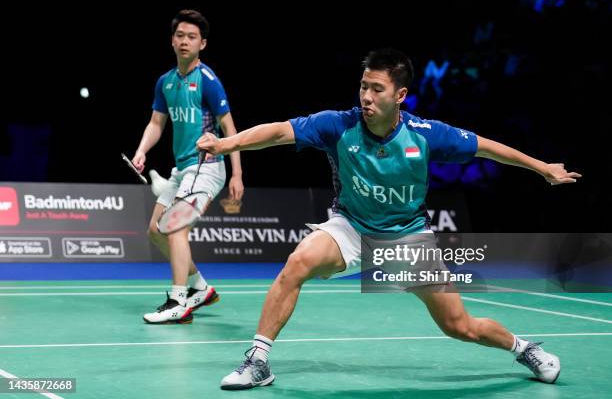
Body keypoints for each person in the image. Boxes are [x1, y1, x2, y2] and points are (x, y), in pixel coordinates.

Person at [197, 48, 581, 389]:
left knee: (459, 326)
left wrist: (540, 167)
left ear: (400, 96)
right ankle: (258, 361)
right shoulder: (339, 125)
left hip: (407, 238)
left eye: (377, 89)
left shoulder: (426, 134)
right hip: (350, 227)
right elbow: (280, 132)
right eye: (363, 86)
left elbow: (485, 147)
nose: (366, 96)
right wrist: (226, 143)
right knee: (297, 262)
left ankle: (524, 348)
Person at [132, 9, 244, 324]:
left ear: (202, 44)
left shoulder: (208, 81)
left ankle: (177, 300)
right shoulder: (165, 82)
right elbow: (156, 123)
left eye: (191, 37)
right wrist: (142, 151)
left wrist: (237, 172)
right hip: (182, 169)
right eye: (180, 35)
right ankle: (199, 287)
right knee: (155, 231)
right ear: (172, 40)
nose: (185, 41)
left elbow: (230, 129)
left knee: (176, 227)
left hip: (207, 166)